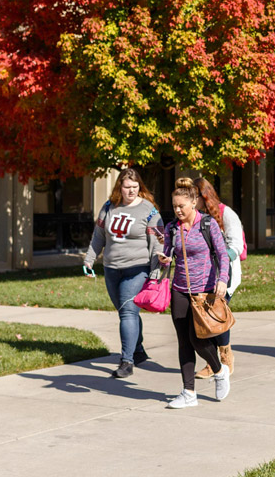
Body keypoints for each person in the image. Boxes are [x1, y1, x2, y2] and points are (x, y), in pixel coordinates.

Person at [158, 177, 231, 408]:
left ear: (194, 203)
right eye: (174, 206)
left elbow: (223, 256)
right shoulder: (171, 229)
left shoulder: (208, 225)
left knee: (198, 339)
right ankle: (188, 393)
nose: (178, 210)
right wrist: (163, 260)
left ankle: (219, 371)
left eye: (182, 206)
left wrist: (222, 280)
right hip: (179, 289)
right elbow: (167, 257)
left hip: (204, 291)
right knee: (183, 342)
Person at [83, 167, 162, 379]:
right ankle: (138, 350)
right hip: (111, 268)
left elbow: (157, 244)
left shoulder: (150, 210)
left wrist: (155, 273)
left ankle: (127, 361)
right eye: (127, 187)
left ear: (140, 187)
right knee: (127, 312)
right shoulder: (109, 207)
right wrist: (89, 260)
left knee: (128, 312)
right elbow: (99, 235)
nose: (131, 191)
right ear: (120, 187)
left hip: (137, 268)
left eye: (135, 187)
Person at [192, 177, 244, 379]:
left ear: (204, 196)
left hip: (225, 274)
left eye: (195, 197)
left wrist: (217, 257)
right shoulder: (193, 217)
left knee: (217, 314)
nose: (192, 201)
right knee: (204, 318)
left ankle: (225, 357)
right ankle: (211, 362)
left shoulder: (226, 214)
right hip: (202, 275)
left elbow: (236, 246)